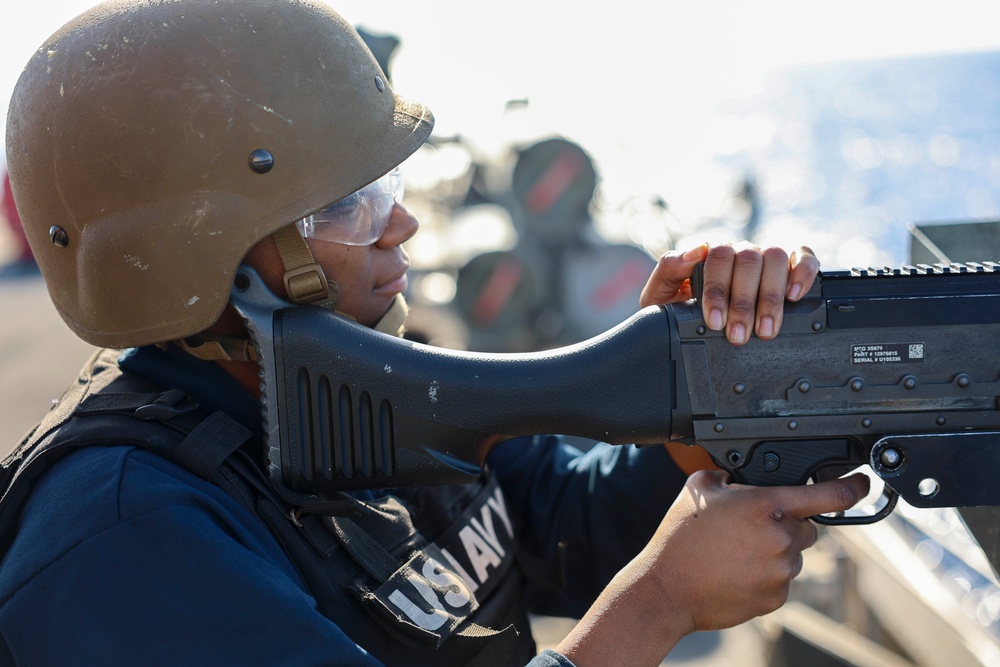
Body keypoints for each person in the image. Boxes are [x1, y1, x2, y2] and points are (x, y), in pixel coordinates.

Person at [0, 1, 867, 666]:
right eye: (346, 203)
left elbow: (567, 520)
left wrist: (697, 385)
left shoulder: (358, 382)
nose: (402, 225)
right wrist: (659, 605)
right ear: (200, 258)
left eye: (386, 184)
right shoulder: (120, 543)